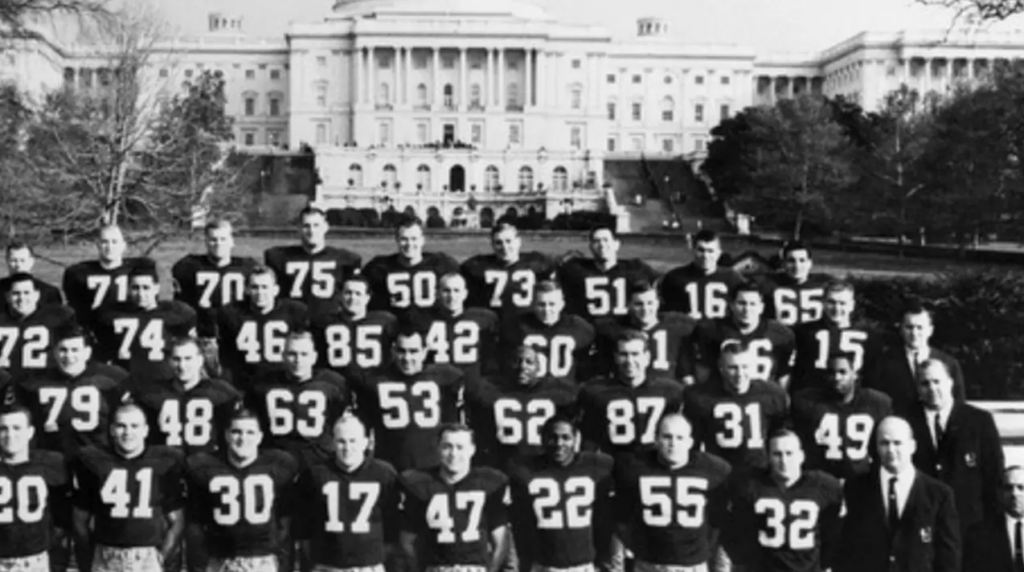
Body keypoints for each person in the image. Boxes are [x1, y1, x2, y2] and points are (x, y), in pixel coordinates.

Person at [71, 398, 186, 572]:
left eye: (134, 426)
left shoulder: (163, 463)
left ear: (145, 431)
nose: (127, 432)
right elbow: (80, 521)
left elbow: (177, 521)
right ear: (111, 430)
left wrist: (161, 556)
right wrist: (90, 556)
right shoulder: (94, 462)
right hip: (106, 554)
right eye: (121, 426)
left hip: (147, 557)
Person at [835, 416, 960, 572]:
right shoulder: (857, 488)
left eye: (897, 443)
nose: (891, 450)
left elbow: (949, 558)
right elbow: (846, 549)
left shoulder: (939, 494)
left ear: (912, 446)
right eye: (884, 443)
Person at [185, 403, 299, 572]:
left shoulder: (278, 466)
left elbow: (286, 518)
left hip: (262, 560)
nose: (243, 438)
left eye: (250, 432)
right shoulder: (206, 467)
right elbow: (197, 522)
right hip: (220, 559)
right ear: (226, 435)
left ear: (260, 437)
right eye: (236, 432)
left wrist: (274, 548)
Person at [613, 414, 732, 572]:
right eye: (667, 437)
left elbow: (719, 520)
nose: (673, 444)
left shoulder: (714, 470)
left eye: (679, 438)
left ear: (690, 442)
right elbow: (622, 518)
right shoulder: (634, 468)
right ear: (656, 440)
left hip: (693, 565)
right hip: (648, 564)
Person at [908, 359, 1003, 538]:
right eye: (925, 383)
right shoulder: (906, 421)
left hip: (970, 525)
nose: (932, 388)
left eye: (937, 381)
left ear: (950, 382)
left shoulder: (979, 421)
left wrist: (991, 523)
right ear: (918, 388)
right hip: (923, 523)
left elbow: (994, 474)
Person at [348, 327, 465, 472]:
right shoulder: (374, 382)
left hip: (432, 468)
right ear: (393, 351)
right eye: (401, 351)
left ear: (424, 351)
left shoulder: (446, 378)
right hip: (390, 466)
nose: (407, 358)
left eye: (413, 351)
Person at [295, 415, 401, 572]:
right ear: (332, 443)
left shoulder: (384, 474)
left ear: (366, 443)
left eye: (353, 441)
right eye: (341, 441)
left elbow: (392, 524)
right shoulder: (315, 474)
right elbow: (305, 528)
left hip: (369, 565)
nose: (347, 448)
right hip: (327, 565)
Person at [399, 423, 511, 572]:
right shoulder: (419, 483)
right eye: (447, 446)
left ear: (472, 450)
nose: (453, 454)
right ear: (438, 448)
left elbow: (501, 542)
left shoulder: (489, 483)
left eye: (460, 447)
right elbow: (407, 542)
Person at [726, 430, 843, 572]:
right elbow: (740, 533)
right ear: (768, 457)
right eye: (777, 454)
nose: (784, 461)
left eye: (789, 453)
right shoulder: (752, 486)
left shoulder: (824, 486)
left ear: (801, 456)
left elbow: (831, 532)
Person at [18, 326, 128, 457]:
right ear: (54, 352)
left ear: (87, 353)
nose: (69, 356)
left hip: (98, 458)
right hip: (52, 458)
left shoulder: (113, 378)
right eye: (63, 350)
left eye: (75, 350)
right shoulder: (33, 383)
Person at [683, 341, 789, 475]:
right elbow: (693, 444)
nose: (740, 374)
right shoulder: (700, 397)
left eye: (745, 367)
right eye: (733, 367)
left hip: (758, 473)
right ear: (721, 368)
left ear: (753, 367)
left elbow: (779, 436)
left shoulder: (772, 394)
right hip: (718, 471)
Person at [464, 345, 578, 468]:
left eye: (529, 362)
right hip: (501, 463)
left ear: (539, 367)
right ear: (507, 364)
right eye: (516, 361)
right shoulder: (489, 390)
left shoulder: (559, 392)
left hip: (541, 466)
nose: (522, 367)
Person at [251, 332, 350, 471]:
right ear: (283, 356)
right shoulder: (264, 384)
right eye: (292, 354)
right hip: (277, 460)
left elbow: (341, 422)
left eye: (304, 354)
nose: (298, 360)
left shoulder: (333, 384)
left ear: (314, 357)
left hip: (319, 460)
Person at [126, 337, 240, 456]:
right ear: (169, 361)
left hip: (206, 463)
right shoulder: (151, 394)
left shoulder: (222, 393)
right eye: (177, 359)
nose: (182, 366)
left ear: (200, 360)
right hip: (165, 463)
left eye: (188, 359)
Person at [578, 330, 684, 458]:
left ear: (647, 357)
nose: (629, 361)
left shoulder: (670, 391)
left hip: (654, 464)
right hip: (615, 463)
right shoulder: (595, 391)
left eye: (635, 354)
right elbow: (589, 438)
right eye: (624, 354)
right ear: (615, 357)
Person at [790, 353, 892, 481]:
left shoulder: (876, 403)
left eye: (842, 372)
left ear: (855, 374)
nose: (837, 377)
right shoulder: (808, 403)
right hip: (821, 481)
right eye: (831, 373)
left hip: (862, 481)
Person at [0, 396, 72, 572]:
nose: (10, 435)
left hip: (35, 560)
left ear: (30, 432)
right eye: (3, 429)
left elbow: (62, 512)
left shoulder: (50, 464)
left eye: (17, 428)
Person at [93, 267, 197, 379]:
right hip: (125, 379)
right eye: (135, 288)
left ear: (156, 288)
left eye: (146, 288)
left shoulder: (177, 313)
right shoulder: (111, 315)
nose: (141, 294)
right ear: (128, 289)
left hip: (162, 380)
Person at [216, 267, 309, 390]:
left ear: (275, 290)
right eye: (255, 287)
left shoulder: (294, 312)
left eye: (265, 287)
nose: (260, 292)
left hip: (282, 383)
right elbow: (226, 358)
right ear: (247, 290)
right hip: (246, 383)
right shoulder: (232, 313)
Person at [865, 304, 966, 416]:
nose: (914, 333)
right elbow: (874, 402)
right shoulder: (883, 362)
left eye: (919, 327)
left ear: (930, 330)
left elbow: (959, 404)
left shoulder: (948, 363)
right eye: (909, 327)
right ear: (901, 329)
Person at [593, 280, 697, 385]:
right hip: (627, 390)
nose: (645, 309)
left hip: (666, 390)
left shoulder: (676, 326)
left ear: (658, 303)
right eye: (639, 304)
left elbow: (686, 374)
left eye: (650, 303)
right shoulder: (615, 330)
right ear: (628, 305)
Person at [692, 282, 795, 387]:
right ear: (732, 305)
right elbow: (703, 372)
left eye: (752, 304)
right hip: (723, 395)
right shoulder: (712, 330)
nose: (747, 309)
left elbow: (784, 376)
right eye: (742, 303)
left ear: (761, 307)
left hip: (764, 396)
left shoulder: (781, 334)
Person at [171, 219, 258, 340]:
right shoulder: (189, 266)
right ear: (206, 241)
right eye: (213, 239)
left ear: (232, 241)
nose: (218, 243)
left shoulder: (247, 268)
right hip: (202, 333)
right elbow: (180, 303)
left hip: (238, 332)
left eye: (223, 239)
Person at [62, 226, 157, 335]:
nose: (110, 247)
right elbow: (75, 309)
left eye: (114, 242)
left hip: (131, 327)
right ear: (97, 245)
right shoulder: (79, 273)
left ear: (123, 245)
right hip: (96, 330)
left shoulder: (140, 269)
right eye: (104, 242)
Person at [264, 205, 362, 311]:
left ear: (326, 227)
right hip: (292, 317)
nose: (311, 231)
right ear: (299, 228)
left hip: (329, 319)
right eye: (307, 226)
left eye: (316, 225)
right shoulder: (279, 257)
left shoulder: (345, 259)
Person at [790, 280, 879, 395]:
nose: (837, 308)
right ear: (823, 303)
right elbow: (798, 371)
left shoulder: (869, 336)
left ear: (852, 305)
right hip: (815, 398)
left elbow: (873, 375)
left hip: (853, 400)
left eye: (842, 303)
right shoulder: (805, 332)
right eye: (831, 302)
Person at [556, 226, 659, 323]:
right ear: (591, 246)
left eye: (606, 240)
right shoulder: (574, 269)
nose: (602, 245)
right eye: (597, 241)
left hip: (624, 329)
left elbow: (660, 284)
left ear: (616, 244)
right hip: (588, 329)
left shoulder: (635, 268)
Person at [499, 281, 595, 384]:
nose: (547, 310)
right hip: (531, 391)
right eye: (541, 304)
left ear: (562, 305)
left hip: (565, 391)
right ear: (533, 304)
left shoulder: (578, 326)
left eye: (552, 304)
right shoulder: (517, 326)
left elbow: (587, 364)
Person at [362, 216, 460, 318]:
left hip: (433, 328)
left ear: (422, 240)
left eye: (414, 239)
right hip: (394, 328)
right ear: (396, 240)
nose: (409, 244)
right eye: (404, 239)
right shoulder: (379, 267)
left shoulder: (441, 263)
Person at [309, 275, 397, 379]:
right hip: (336, 383)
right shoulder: (324, 323)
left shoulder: (385, 321)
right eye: (348, 293)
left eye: (358, 294)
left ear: (367, 298)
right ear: (340, 295)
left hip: (374, 383)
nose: (352, 298)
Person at [460, 221, 556, 316]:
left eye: (508, 241)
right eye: (498, 243)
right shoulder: (477, 266)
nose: (504, 247)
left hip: (528, 324)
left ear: (518, 241)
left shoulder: (538, 263)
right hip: (494, 323)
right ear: (492, 245)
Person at [422, 273, 500, 378]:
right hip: (438, 381)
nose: (452, 296)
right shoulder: (423, 320)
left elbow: (490, 356)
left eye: (456, 290)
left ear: (465, 294)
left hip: (472, 381)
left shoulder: (484, 318)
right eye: (446, 291)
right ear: (437, 293)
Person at [658, 230, 744, 320]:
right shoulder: (674, 278)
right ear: (693, 250)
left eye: (710, 251)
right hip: (687, 332)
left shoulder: (733, 278)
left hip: (721, 332)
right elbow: (665, 314)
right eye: (701, 250)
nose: (705, 255)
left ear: (719, 253)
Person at [0, 273, 76, 376]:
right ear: (7, 296)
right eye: (16, 293)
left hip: (42, 383)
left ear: (37, 295)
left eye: (26, 293)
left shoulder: (58, 319)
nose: (21, 298)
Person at [962, 466, 1024, 572]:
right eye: (1008, 488)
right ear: (999, 493)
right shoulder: (978, 533)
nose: (1014, 494)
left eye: (1021, 488)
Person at [763, 242, 830, 327]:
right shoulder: (769, 283)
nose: (797, 266)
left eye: (802, 260)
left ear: (810, 263)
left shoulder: (825, 283)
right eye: (791, 261)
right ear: (783, 264)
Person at [0, 241, 63, 312]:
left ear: (31, 261)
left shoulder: (49, 292)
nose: (18, 265)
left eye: (22, 260)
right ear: (7, 261)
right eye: (14, 260)